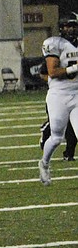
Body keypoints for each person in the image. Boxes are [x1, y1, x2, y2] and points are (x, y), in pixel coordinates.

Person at [39, 11, 78, 185]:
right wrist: (74, 68)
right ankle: (44, 164)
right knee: (56, 137)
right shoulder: (54, 44)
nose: (69, 29)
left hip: (77, 94)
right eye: (66, 26)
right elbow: (52, 72)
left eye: (72, 25)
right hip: (59, 95)